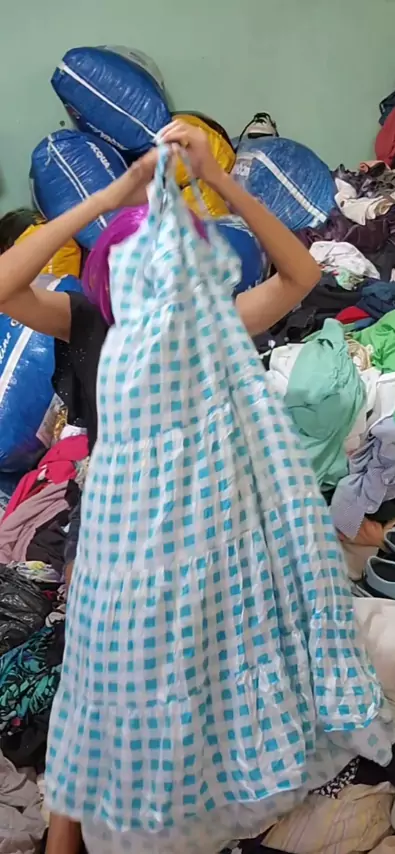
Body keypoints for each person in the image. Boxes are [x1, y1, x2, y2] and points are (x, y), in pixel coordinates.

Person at [0, 122, 323, 854]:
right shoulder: (87, 323)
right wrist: (111, 196)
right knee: (91, 696)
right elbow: (6, 284)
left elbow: (301, 276)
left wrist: (222, 179)